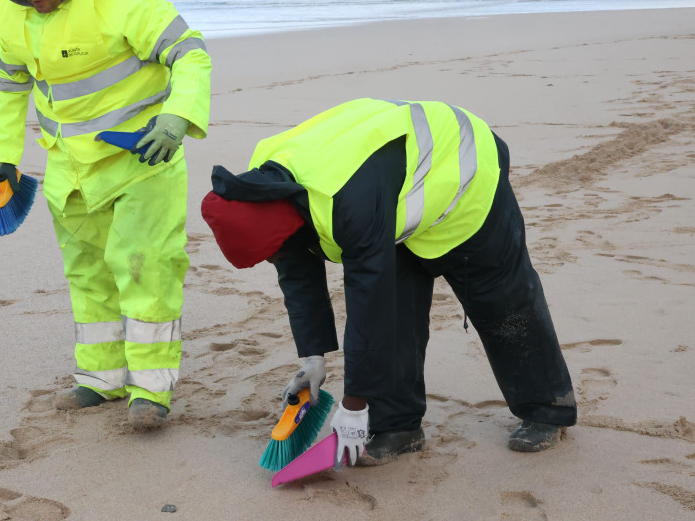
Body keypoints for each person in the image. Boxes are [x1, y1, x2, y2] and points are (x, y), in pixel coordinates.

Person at [200, 98, 576, 466]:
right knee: (397, 310)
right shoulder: (263, 192)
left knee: (500, 299)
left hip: (462, 170)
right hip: (395, 193)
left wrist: (354, 404)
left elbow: (369, 303)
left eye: (273, 254)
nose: (274, 261)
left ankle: (547, 408)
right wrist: (313, 357)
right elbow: (299, 274)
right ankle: (398, 428)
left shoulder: (347, 203)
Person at [0, 0, 211, 429]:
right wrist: (3, 155)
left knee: (143, 266)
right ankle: (101, 379)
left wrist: (178, 118)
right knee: (87, 274)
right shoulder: (12, 8)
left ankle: (151, 391)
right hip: (70, 167)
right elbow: (7, 83)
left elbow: (189, 52)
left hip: (142, 159)